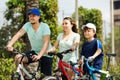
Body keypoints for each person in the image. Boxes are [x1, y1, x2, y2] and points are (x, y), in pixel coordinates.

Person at [7, 8, 53, 76]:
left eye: (34, 15)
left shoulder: (44, 26)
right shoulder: (27, 25)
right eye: (30, 16)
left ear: (39, 17)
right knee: (18, 58)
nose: (31, 17)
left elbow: (46, 43)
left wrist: (39, 56)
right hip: (34, 52)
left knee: (46, 77)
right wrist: (10, 44)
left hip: (46, 54)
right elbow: (18, 34)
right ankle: (21, 76)